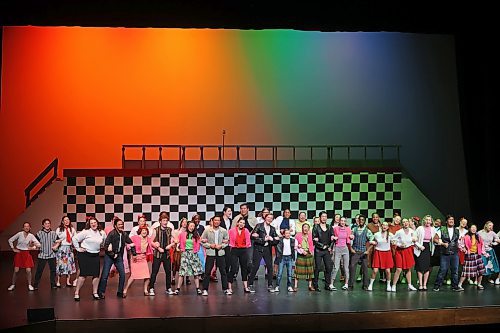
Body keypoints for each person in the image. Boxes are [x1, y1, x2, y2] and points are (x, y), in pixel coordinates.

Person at [98, 217, 137, 298]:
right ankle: (101, 292)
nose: (121, 226)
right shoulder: (112, 234)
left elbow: (131, 243)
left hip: (118, 256)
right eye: (119, 224)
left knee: (122, 274)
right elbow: (106, 246)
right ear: (115, 226)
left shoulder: (124, 234)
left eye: (122, 224)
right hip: (110, 257)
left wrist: (134, 253)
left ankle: (120, 292)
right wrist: (112, 254)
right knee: (105, 275)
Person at [72, 216, 106, 301]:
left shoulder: (101, 232)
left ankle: (95, 292)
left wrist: (103, 246)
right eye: (91, 223)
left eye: (95, 223)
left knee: (96, 275)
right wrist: (77, 248)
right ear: (89, 225)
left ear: (97, 223)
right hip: (85, 255)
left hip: (95, 255)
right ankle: (76, 293)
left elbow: (104, 241)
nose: (93, 224)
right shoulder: (86, 232)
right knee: (83, 275)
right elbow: (75, 238)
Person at [248, 213, 280, 292]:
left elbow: (276, 240)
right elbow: (252, 236)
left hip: (267, 249)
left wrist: (272, 239)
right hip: (258, 248)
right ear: (265, 218)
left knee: (270, 267)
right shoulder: (259, 226)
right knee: (255, 266)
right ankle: (250, 284)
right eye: (268, 217)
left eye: (271, 218)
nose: (270, 219)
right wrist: (263, 239)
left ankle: (270, 285)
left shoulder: (272, 228)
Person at [200, 216, 231, 296]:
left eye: (218, 220)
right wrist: (210, 245)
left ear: (220, 222)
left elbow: (227, 241)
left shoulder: (223, 231)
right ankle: (205, 289)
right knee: (207, 272)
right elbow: (202, 241)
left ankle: (225, 288)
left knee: (223, 272)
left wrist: (221, 246)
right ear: (212, 221)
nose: (217, 222)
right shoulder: (207, 230)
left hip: (220, 253)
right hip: (211, 253)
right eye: (215, 220)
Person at [433, 215, 463, 292]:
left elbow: (457, 241)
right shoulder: (442, 229)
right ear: (446, 221)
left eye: (452, 219)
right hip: (444, 253)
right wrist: (442, 243)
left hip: (454, 253)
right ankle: (437, 286)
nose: (451, 221)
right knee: (443, 270)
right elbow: (435, 239)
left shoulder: (456, 230)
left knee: (455, 270)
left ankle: (455, 286)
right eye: (449, 219)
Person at [7, 222, 41, 291]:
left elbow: (38, 244)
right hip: (19, 253)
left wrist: (33, 248)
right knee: (16, 270)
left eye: (28, 226)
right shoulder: (20, 234)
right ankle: (13, 284)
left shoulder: (31, 235)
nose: (26, 227)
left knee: (28, 270)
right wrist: (13, 248)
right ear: (23, 228)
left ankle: (30, 284)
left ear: (30, 228)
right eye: (25, 226)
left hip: (26, 253)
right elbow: (10, 240)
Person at [148, 212, 175, 296]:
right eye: (163, 220)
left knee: (168, 271)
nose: (165, 222)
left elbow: (175, 240)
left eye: (166, 220)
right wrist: (157, 247)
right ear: (160, 221)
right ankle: (151, 288)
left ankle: (168, 288)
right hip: (157, 254)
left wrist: (170, 245)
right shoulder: (156, 230)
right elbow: (151, 241)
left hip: (166, 254)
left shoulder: (169, 230)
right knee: (154, 271)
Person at [124, 225, 154, 297]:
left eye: (146, 231)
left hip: (143, 257)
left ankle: (145, 290)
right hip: (135, 257)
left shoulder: (148, 239)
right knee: (133, 275)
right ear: (140, 231)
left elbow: (152, 245)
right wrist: (130, 248)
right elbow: (128, 244)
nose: (144, 232)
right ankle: (125, 290)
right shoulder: (134, 238)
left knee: (147, 275)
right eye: (143, 230)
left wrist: (156, 245)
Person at [176, 221, 204, 295]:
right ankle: (178, 288)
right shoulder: (182, 234)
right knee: (182, 272)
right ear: (188, 226)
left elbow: (199, 243)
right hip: (185, 254)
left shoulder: (196, 235)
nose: (192, 227)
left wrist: (196, 250)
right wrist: (180, 248)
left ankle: (198, 288)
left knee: (196, 272)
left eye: (193, 226)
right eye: (191, 226)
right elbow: (178, 241)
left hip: (193, 254)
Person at [232, 204, 258, 277]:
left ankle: (250, 273)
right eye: (241, 208)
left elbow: (257, 228)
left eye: (244, 208)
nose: (243, 210)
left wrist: (252, 233)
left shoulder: (253, 218)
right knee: (236, 259)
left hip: (249, 241)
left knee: (249, 258)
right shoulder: (236, 218)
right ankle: (234, 273)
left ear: (248, 209)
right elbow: (232, 230)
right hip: (238, 241)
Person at [391, 218, 417, 292]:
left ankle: (409, 285)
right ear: (402, 224)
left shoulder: (412, 231)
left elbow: (414, 240)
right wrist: (399, 244)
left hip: (408, 251)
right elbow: (393, 241)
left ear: (408, 223)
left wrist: (417, 243)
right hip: (399, 251)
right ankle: (394, 285)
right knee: (399, 268)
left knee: (408, 268)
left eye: (406, 222)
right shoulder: (399, 232)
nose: (405, 223)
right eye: (403, 222)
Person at [348, 215, 373, 290]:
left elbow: (373, 241)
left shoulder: (367, 231)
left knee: (365, 269)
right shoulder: (354, 229)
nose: (361, 221)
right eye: (360, 220)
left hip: (363, 251)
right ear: (358, 221)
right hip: (355, 251)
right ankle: (350, 285)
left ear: (364, 221)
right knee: (352, 268)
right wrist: (351, 248)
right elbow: (349, 240)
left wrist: (368, 251)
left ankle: (365, 285)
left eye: (362, 220)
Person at [367, 221, 394, 292]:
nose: (384, 226)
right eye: (383, 225)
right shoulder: (376, 234)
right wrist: (372, 242)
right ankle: (371, 284)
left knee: (388, 271)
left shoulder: (390, 235)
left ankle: (388, 285)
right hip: (378, 252)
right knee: (375, 271)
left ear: (388, 227)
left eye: (386, 225)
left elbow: (395, 241)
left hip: (387, 253)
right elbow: (371, 241)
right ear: (381, 226)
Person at [458, 224, 486, 290]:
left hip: (478, 255)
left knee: (480, 271)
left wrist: (484, 253)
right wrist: (464, 249)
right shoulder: (466, 236)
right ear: (470, 229)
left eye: (475, 228)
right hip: (469, 255)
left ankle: (479, 284)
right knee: (466, 271)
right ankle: (459, 284)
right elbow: (461, 244)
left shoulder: (478, 236)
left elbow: (482, 245)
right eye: (472, 228)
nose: (473, 229)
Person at [228, 216, 252, 293]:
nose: (242, 224)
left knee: (244, 268)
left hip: (243, 250)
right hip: (234, 250)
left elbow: (248, 242)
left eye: (243, 223)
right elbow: (228, 239)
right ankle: (229, 287)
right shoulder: (231, 231)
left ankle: (246, 287)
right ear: (237, 223)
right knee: (233, 268)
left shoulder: (246, 231)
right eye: (240, 222)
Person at [33, 218, 58, 290]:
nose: (47, 225)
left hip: (51, 254)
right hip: (42, 255)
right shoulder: (39, 233)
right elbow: (34, 241)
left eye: (48, 223)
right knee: (39, 271)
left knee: (53, 270)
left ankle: (53, 284)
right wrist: (35, 246)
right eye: (46, 224)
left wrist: (56, 246)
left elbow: (58, 241)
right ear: (43, 225)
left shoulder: (53, 233)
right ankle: (35, 284)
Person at [312, 211, 334, 292]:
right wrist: (322, 246)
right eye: (323, 216)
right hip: (318, 250)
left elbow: (332, 238)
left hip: (327, 250)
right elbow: (314, 240)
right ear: (320, 217)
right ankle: (316, 285)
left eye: (325, 216)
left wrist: (330, 247)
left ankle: (327, 285)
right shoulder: (316, 227)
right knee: (317, 268)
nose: (324, 218)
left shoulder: (329, 227)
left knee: (328, 267)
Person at [414, 215, 436, 291]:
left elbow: (435, 239)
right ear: (424, 220)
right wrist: (419, 246)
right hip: (420, 248)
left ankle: (424, 284)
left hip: (428, 248)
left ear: (431, 221)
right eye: (426, 219)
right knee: (420, 267)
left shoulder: (433, 229)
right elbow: (414, 239)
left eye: (429, 220)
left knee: (427, 267)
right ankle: (420, 284)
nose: (427, 221)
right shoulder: (420, 228)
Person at [330, 217, 353, 291]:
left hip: (345, 248)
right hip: (337, 248)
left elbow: (350, 237)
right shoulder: (336, 228)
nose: (342, 222)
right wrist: (333, 237)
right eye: (341, 221)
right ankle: (331, 284)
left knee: (346, 267)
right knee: (336, 267)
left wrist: (352, 237)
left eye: (344, 221)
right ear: (339, 221)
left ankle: (346, 284)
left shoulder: (348, 229)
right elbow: (331, 236)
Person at [54, 216, 77, 287]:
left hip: (69, 248)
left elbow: (75, 238)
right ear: (62, 221)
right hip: (62, 248)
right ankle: (58, 281)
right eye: (65, 220)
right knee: (61, 264)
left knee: (69, 264)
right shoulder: (59, 229)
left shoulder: (72, 229)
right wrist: (58, 242)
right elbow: (55, 238)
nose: (67, 221)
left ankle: (68, 281)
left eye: (68, 219)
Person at [294, 223, 315, 291]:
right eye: (304, 227)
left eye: (307, 227)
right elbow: (295, 246)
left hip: (309, 254)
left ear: (309, 229)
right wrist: (301, 251)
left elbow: (313, 245)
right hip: (301, 254)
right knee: (298, 271)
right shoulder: (298, 235)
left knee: (310, 271)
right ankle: (295, 286)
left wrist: (311, 252)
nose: (305, 228)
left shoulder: (311, 235)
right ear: (302, 228)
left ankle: (310, 285)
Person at [221, 206, 233, 277]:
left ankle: (227, 273)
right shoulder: (220, 220)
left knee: (228, 258)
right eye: (228, 211)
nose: (230, 212)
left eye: (230, 211)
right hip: (221, 242)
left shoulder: (231, 221)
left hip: (229, 242)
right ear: (224, 212)